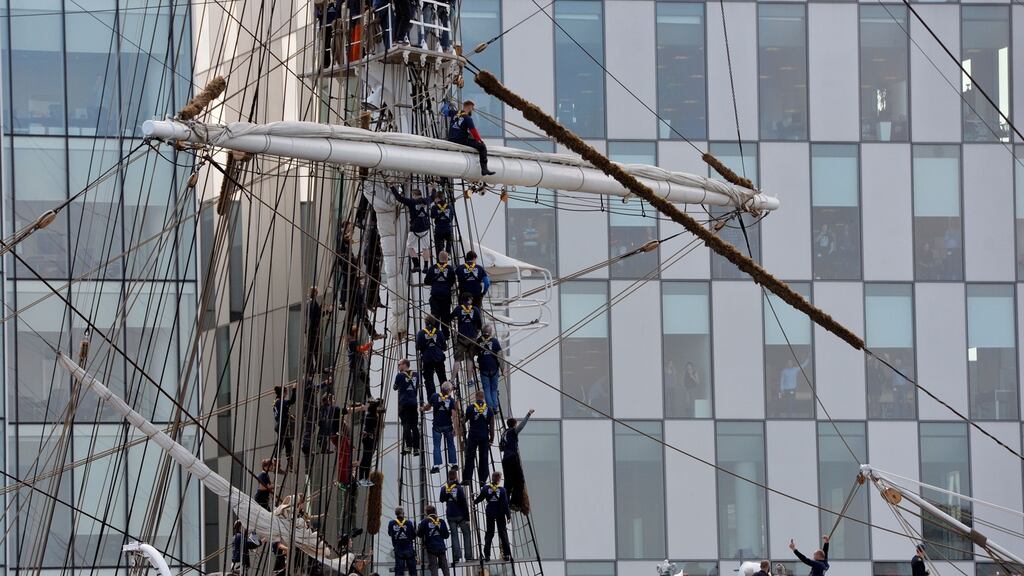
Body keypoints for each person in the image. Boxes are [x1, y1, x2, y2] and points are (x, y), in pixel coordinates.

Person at [445, 100, 495, 177]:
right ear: (470, 107)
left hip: (451, 139)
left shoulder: (454, 113)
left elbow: (444, 111)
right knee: (482, 147)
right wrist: (479, 140)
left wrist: (447, 103)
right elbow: (473, 131)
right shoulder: (467, 118)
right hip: (461, 140)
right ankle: (484, 169)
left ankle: (484, 169)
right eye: (472, 108)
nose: (472, 110)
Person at [391, 185, 432, 273]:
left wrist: (392, 187)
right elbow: (432, 196)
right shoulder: (426, 201)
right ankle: (425, 267)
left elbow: (399, 198)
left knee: (409, 247)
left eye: (412, 195)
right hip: (425, 228)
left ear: (414, 195)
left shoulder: (411, 202)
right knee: (426, 248)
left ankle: (416, 265)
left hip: (415, 229)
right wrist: (433, 189)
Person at [500, 409, 534, 511]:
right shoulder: (512, 432)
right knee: (519, 481)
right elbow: (522, 426)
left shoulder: (503, 434)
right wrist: (528, 414)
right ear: (514, 425)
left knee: (508, 482)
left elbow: (501, 447)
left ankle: (504, 502)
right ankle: (514, 503)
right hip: (512, 458)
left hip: (505, 459)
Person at [474, 471, 512, 562]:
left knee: (489, 534)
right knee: (503, 533)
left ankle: (487, 555)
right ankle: (507, 554)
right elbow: (505, 504)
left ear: (492, 478)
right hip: (500, 513)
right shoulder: (502, 490)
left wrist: (474, 502)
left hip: (490, 513)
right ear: (499, 479)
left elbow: (481, 497)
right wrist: (508, 515)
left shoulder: (486, 488)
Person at [423, 381, 459, 474]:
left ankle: (436, 466)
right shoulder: (451, 400)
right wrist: (455, 428)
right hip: (448, 426)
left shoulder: (434, 396)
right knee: (451, 445)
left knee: (436, 446)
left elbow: (427, 407)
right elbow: (454, 415)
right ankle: (454, 464)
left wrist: (422, 408)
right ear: (449, 390)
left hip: (437, 426)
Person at [439, 468, 473, 564]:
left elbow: (441, 499)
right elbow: (464, 503)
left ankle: (456, 557)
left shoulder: (444, 488)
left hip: (450, 515)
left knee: (454, 536)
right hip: (460, 515)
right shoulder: (459, 488)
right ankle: (468, 556)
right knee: (466, 534)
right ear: (456, 476)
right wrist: (467, 518)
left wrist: (447, 495)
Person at [462, 389, 494, 486]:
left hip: (473, 435)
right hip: (484, 436)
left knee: (470, 456)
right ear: (483, 398)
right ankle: (482, 480)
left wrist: (461, 418)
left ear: (476, 397)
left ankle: (467, 479)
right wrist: (491, 438)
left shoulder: (470, 408)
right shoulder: (489, 409)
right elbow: (492, 426)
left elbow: (464, 421)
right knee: (484, 457)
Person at [451, 292, 483, 388]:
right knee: (470, 359)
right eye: (471, 299)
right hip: (472, 338)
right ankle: (469, 380)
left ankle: (452, 380)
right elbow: (480, 323)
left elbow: (450, 317)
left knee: (457, 360)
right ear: (469, 299)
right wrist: (476, 331)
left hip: (461, 337)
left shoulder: (458, 309)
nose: (472, 300)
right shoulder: (475, 309)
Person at [393, 359, 422, 455]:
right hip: (413, 403)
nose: (398, 366)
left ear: (405, 364)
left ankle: (409, 446)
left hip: (404, 404)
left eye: (399, 364)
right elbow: (416, 387)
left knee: (406, 425)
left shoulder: (400, 375)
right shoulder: (416, 375)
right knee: (414, 427)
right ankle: (416, 448)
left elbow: (395, 387)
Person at [424, 251, 456, 333]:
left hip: (435, 297)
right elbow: (453, 281)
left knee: (435, 317)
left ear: (438, 258)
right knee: (445, 317)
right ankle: (446, 335)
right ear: (447, 259)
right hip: (446, 297)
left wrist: (435, 282)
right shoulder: (450, 269)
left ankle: (435, 333)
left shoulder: (432, 268)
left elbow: (426, 281)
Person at [356, 398, 386, 486]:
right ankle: (361, 479)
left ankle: (365, 479)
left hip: (370, 439)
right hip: (368, 438)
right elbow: (380, 424)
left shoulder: (372, 414)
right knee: (365, 459)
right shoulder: (371, 414)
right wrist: (380, 404)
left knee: (368, 460)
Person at [416, 317, 447, 398]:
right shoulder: (439, 333)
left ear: (425, 322)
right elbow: (444, 347)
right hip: (439, 359)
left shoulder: (420, 333)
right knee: (442, 378)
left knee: (429, 380)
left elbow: (417, 347)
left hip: (427, 360)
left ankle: (432, 399)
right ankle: (445, 397)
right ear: (434, 323)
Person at [417, 504, 452, 576]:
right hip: (441, 547)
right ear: (435, 511)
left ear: (426, 513)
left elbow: (419, 534)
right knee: (445, 567)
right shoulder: (441, 521)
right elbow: (446, 535)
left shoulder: (424, 522)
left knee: (433, 567)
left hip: (431, 548)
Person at [476, 324, 503, 410]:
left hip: (484, 369)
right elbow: (500, 356)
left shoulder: (478, 341)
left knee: (487, 389)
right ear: (491, 332)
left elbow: (475, 353)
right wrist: (502, 369)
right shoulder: (494, 341)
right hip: (494, 369)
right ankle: (495, 407)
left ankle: (490, 407)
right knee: (494, 389)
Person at [387, 506, 418, 576]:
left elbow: (390, 533)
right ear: (403, 513)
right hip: (409, 549)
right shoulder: (409, 523)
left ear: (396, 514)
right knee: (413, 571)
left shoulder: (391, 523)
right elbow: (413, 536)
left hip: (398, 549)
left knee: (399, 571)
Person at [273, 384, 297, 471]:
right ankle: (276, 465)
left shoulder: (277, 401)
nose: (286, 394)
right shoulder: (280, 402)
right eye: (286, 392)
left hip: (281, 425)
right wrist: (294, 389)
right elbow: (292, 401)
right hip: (282, 426)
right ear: (283, 393)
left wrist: (290, 417)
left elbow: (282, 413)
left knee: (288, 445)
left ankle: (290, 464)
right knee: (280, 445)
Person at [430, 193, 456, 258]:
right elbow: (451, 218)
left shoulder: (434, 207)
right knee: (449, 240)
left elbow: (432, 216)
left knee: (439, 245)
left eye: (435, 199)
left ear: (438, 198)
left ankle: (440, 257)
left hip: (439, 229)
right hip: (448, 228)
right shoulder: (450, 206)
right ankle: (448, 253)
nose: (434, 200)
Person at [307, 286, 323, 375]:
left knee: (314, 350)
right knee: (314, 350)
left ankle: (314, 368)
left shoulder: (312, 303)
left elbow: (317, 316)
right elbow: (314, 317)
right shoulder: (312, 303)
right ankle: (313, 369)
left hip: (312, 329)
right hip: (313, 330)